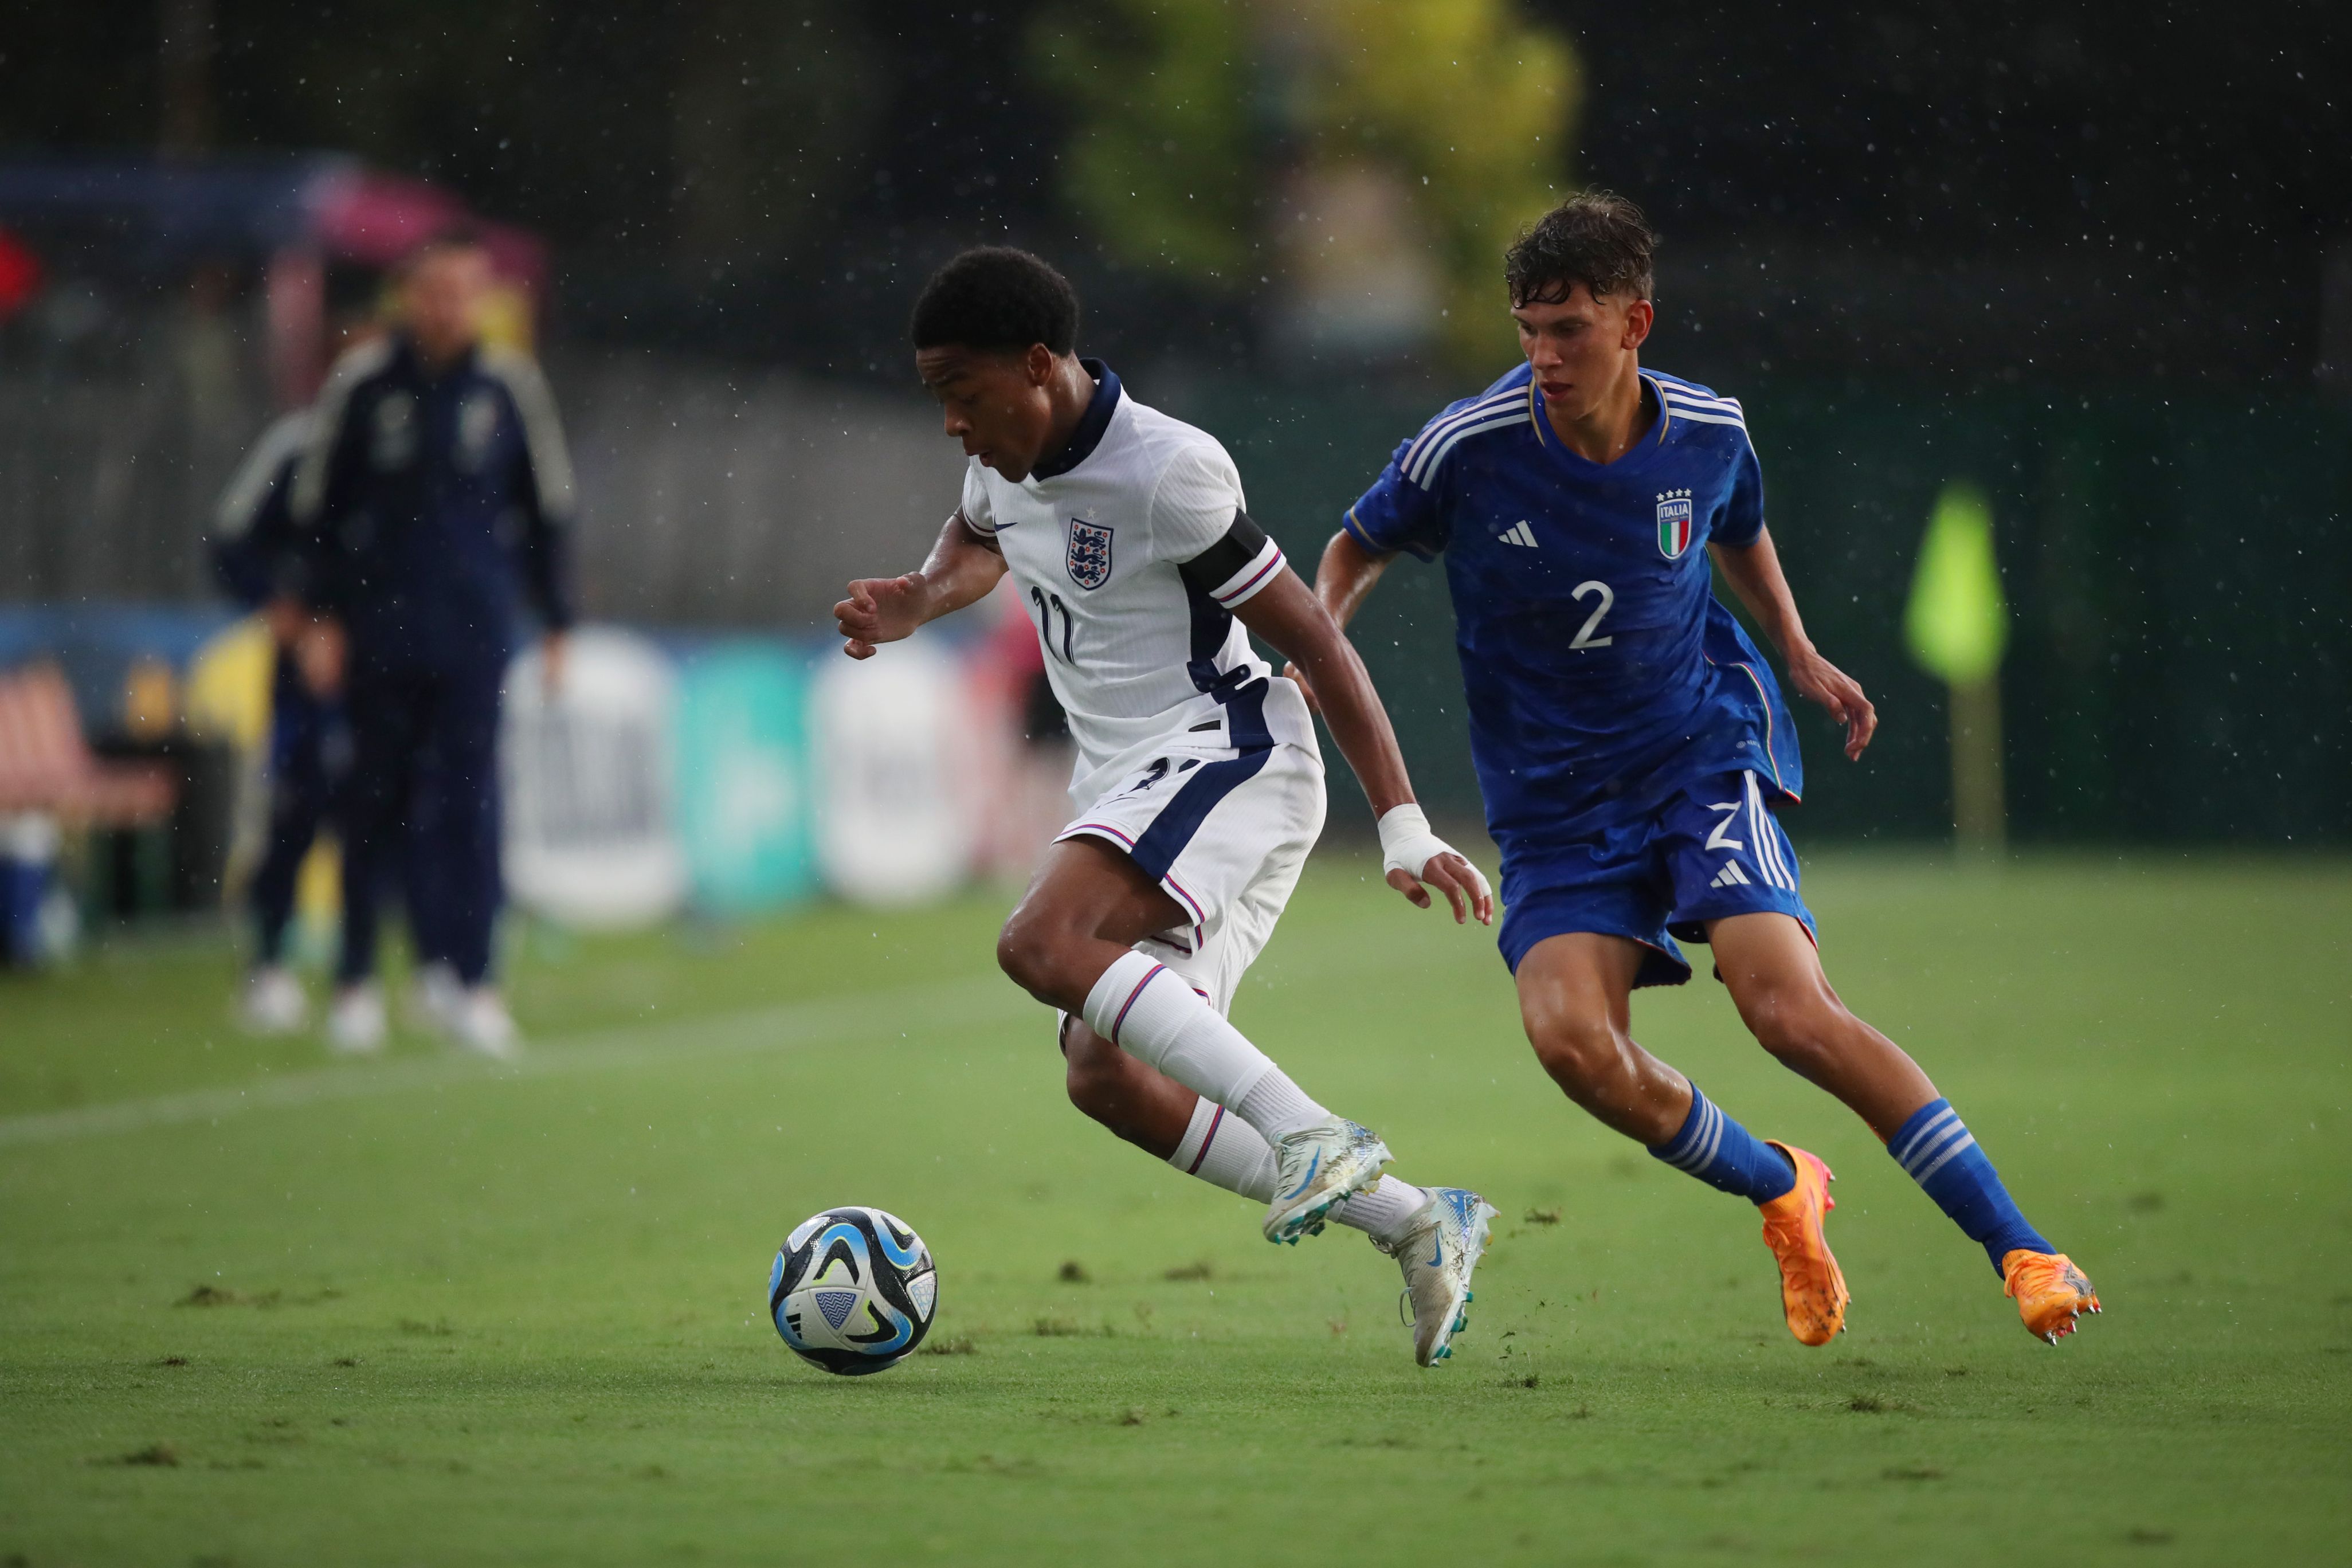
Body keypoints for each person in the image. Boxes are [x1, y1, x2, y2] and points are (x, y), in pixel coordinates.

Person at [1308, 194, 2100, 1347]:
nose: (1544, 355)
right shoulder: (1466, 447)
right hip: (1552, 803)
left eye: (1569, 329)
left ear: (1636, 322)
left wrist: (1795, 648)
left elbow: (1738, 524)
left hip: (1696, 752)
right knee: (1573, 1046)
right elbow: (1354, 545)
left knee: (1786, 1009)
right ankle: (1781, 1184)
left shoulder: (1709, 429)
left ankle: (2022, 1245)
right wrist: (1317, 647)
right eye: (1528, 329)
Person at [834, 248, 1497, 1366]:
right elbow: (979, 537)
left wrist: (1401, 823)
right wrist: (921, 597)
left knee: (1040, 941)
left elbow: (1313, 640)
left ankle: (1310, 1134)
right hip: (1129, 780)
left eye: (963, 392)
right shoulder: (1003, 455)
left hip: (1228, 752)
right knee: (1103, 1078)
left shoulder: (1170, 474)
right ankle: (1421, 1222)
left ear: (1038, 365)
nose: (952, 424)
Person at [291, 233, 577, 1058]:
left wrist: (557, 623)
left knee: (472, 807)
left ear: (480, 297)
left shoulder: (508, 385)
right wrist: (319, 618)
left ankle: (472, 983)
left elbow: (547, 511)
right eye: (433, 291)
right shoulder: (364, 385)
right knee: (370, 806)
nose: (447, 307)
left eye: (462, 292)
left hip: (475, 635)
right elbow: (320, 509)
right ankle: (353, 985)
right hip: (379, 633)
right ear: (407, 298)